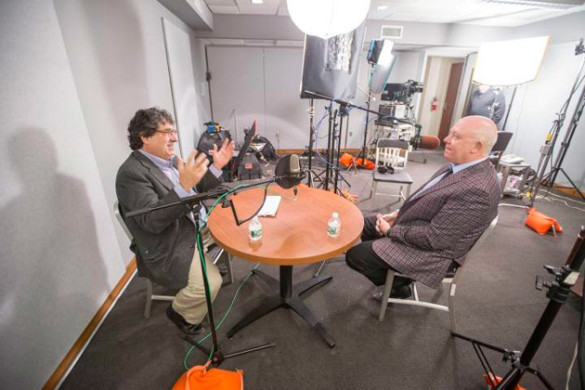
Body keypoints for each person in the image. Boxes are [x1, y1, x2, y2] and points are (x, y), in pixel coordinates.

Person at [346, 116, 500, 297]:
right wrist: (397, 214)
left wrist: (391, 232)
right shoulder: (460, 165)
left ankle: (398, 285)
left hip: (435, 253)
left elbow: (435, 239)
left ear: (477, 146)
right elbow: (427, 199)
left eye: (456, 137)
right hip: (424, 228)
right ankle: (387, 266)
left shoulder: (478, 190)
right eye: (451, 133)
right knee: (364, 224)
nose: (446, 140)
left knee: (356, 256)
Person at [116, 107, 234, 336]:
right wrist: (184, 187)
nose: (175, 137)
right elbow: (152, 221)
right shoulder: (130, 174)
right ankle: (181, 313)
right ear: (145, 137)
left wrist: (217, 167)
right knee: (209, 284)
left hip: (193, 225)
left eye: (174, 131)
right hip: (169, 240)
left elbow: (206, 190)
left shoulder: (171, 161)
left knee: (237, 229)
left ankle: (205, 261)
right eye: (167, 132)